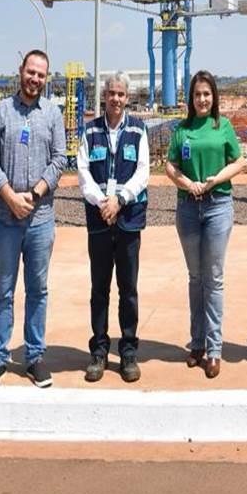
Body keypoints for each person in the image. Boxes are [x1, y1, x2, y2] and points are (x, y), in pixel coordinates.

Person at [0, 50, 66, 392]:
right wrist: (10, 196)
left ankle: (34, 357)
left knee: (38, 290)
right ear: (21, 72)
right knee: (2, 290)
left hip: (40, 218)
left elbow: (60, 158)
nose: (35, 79)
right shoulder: (1, 112)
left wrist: (37, 192)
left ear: (47, 78)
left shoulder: (53, 114)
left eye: (41, 75)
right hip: (4, 217)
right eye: (31, 72)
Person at [166, 70, 246, 379]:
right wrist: (186, 182)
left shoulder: (222, 126)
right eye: (198, 94)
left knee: (213, 278)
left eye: (207, 94)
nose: (202, 99)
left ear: (214, 97)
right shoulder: (182, 129)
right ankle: (197, 342)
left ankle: (214, 349)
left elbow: (239, 162)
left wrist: (216, 180)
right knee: (195, 277)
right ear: (191, 98)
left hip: (217, 207)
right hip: (188, 208)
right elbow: (171, 165)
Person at [77, 72, 149, 384]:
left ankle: (129, 351)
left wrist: (118, 200)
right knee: (99, 289)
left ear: (127, 98)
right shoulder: (90, 131)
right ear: (104, 97)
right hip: (99, 222)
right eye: (112, 94)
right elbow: (82, 173)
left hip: (129, 219)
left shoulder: (138, 129)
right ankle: (99, 350)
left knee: (128, 289)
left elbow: (143, 172)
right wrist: (102, 202)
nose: (116, 99)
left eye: (121, 94)